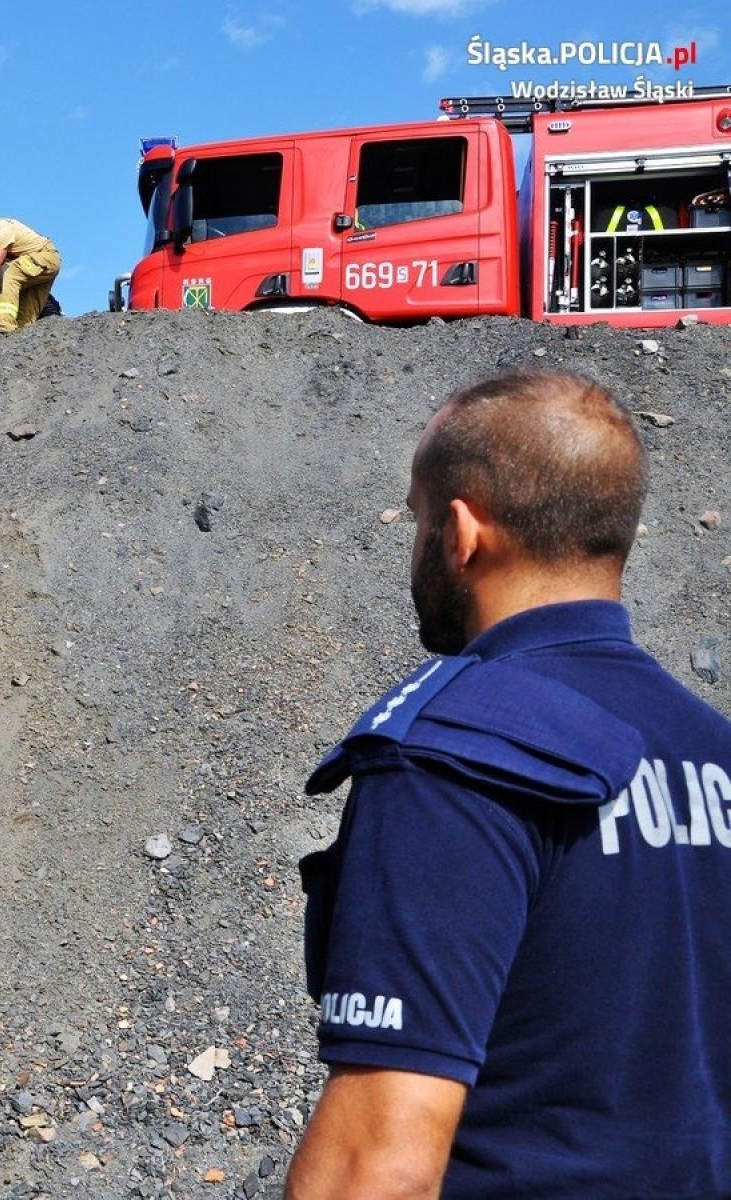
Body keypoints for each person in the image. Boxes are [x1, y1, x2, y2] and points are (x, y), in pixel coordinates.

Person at [285, 369, 731, 1197]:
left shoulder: (450, 749)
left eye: (419, 522)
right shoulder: (714, 749)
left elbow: (378, 1166)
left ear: (461, 532)